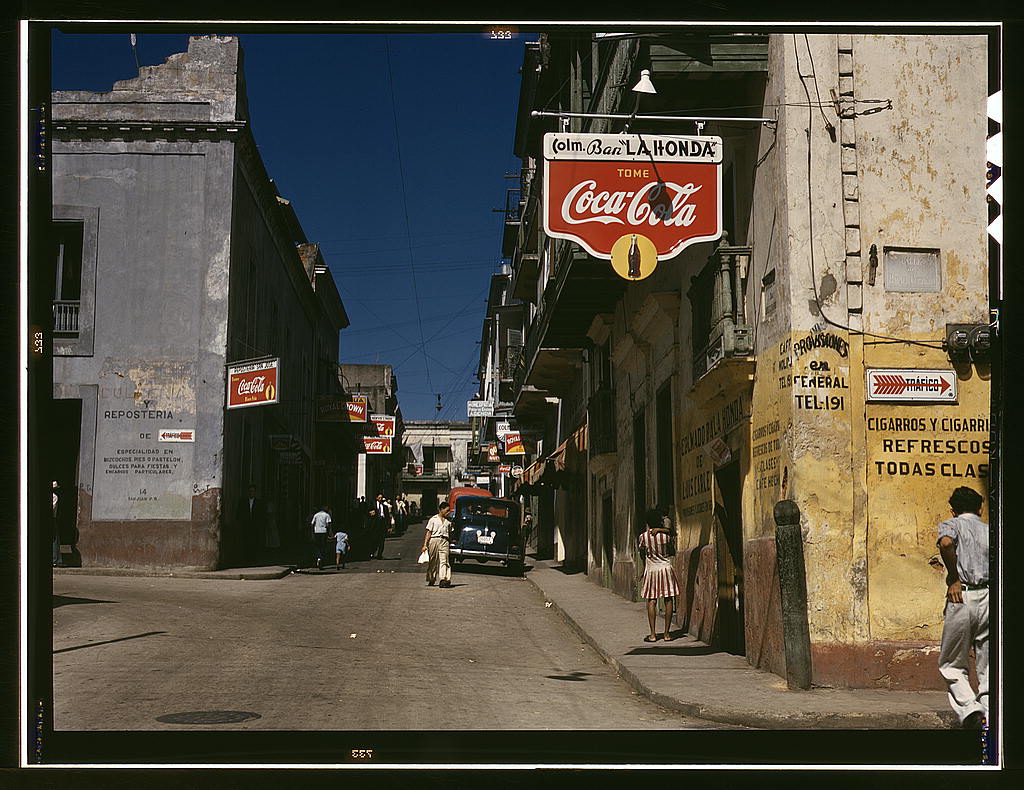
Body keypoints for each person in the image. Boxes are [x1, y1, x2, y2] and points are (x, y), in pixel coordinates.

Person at [937, 486, 990, 730]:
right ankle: (989, 708)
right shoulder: (990, 530)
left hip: (962, 596)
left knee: (951, 662)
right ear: (980, 508)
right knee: (987, 658)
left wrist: (954, 578)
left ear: (953, 510)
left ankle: (971, 706)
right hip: (989, 596)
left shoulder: (951, 524)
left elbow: (946, 543)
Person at [638, 507, 680, 642]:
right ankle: (667, 634)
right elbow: (671, 551)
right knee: (668, 599)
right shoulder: (666, 537)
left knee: (652, 600)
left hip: (652, 570)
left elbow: (642, 553)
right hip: (666, 568)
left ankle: (653, 634)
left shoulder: (643, 537)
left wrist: (642, 571)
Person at [421, 501, 453, 588]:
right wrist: (425, 545)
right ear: (441, 510)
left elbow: (450, 532)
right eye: (446, 511)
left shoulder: (448, 522)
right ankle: (431, 578)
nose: (448, 512)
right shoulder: (433, 519)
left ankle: (444, 579)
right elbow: (429, 532)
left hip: (444, 541)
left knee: (444, 560)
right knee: (433, 560)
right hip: (434, 540)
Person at [237, 485, 266, 560]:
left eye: (253, 491)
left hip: (255, 525)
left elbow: (261, 514)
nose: (251, 493)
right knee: (246, 540)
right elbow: (239, 513)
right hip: (246, 524)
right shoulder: (243, 502)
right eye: (250, 491)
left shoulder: (259, 502)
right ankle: (246, 557)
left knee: (254, 541)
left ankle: (253, 557)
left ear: (255, 492)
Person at [310, 504, 332, 570]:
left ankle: (318, 557)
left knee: (317, 545)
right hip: (324, 532)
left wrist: (312, 533)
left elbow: (312, 524)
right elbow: (328, 524)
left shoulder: (316, 515)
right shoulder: (326, 515)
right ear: (324, 508)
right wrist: (330, 533)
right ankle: (321, 558)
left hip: (317, 532)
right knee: (323, 546)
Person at [51, 480, 62, 567]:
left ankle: (54, 559)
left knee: (54, 539)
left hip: (52, 519)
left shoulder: (54, 497)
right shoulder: (54, 497)